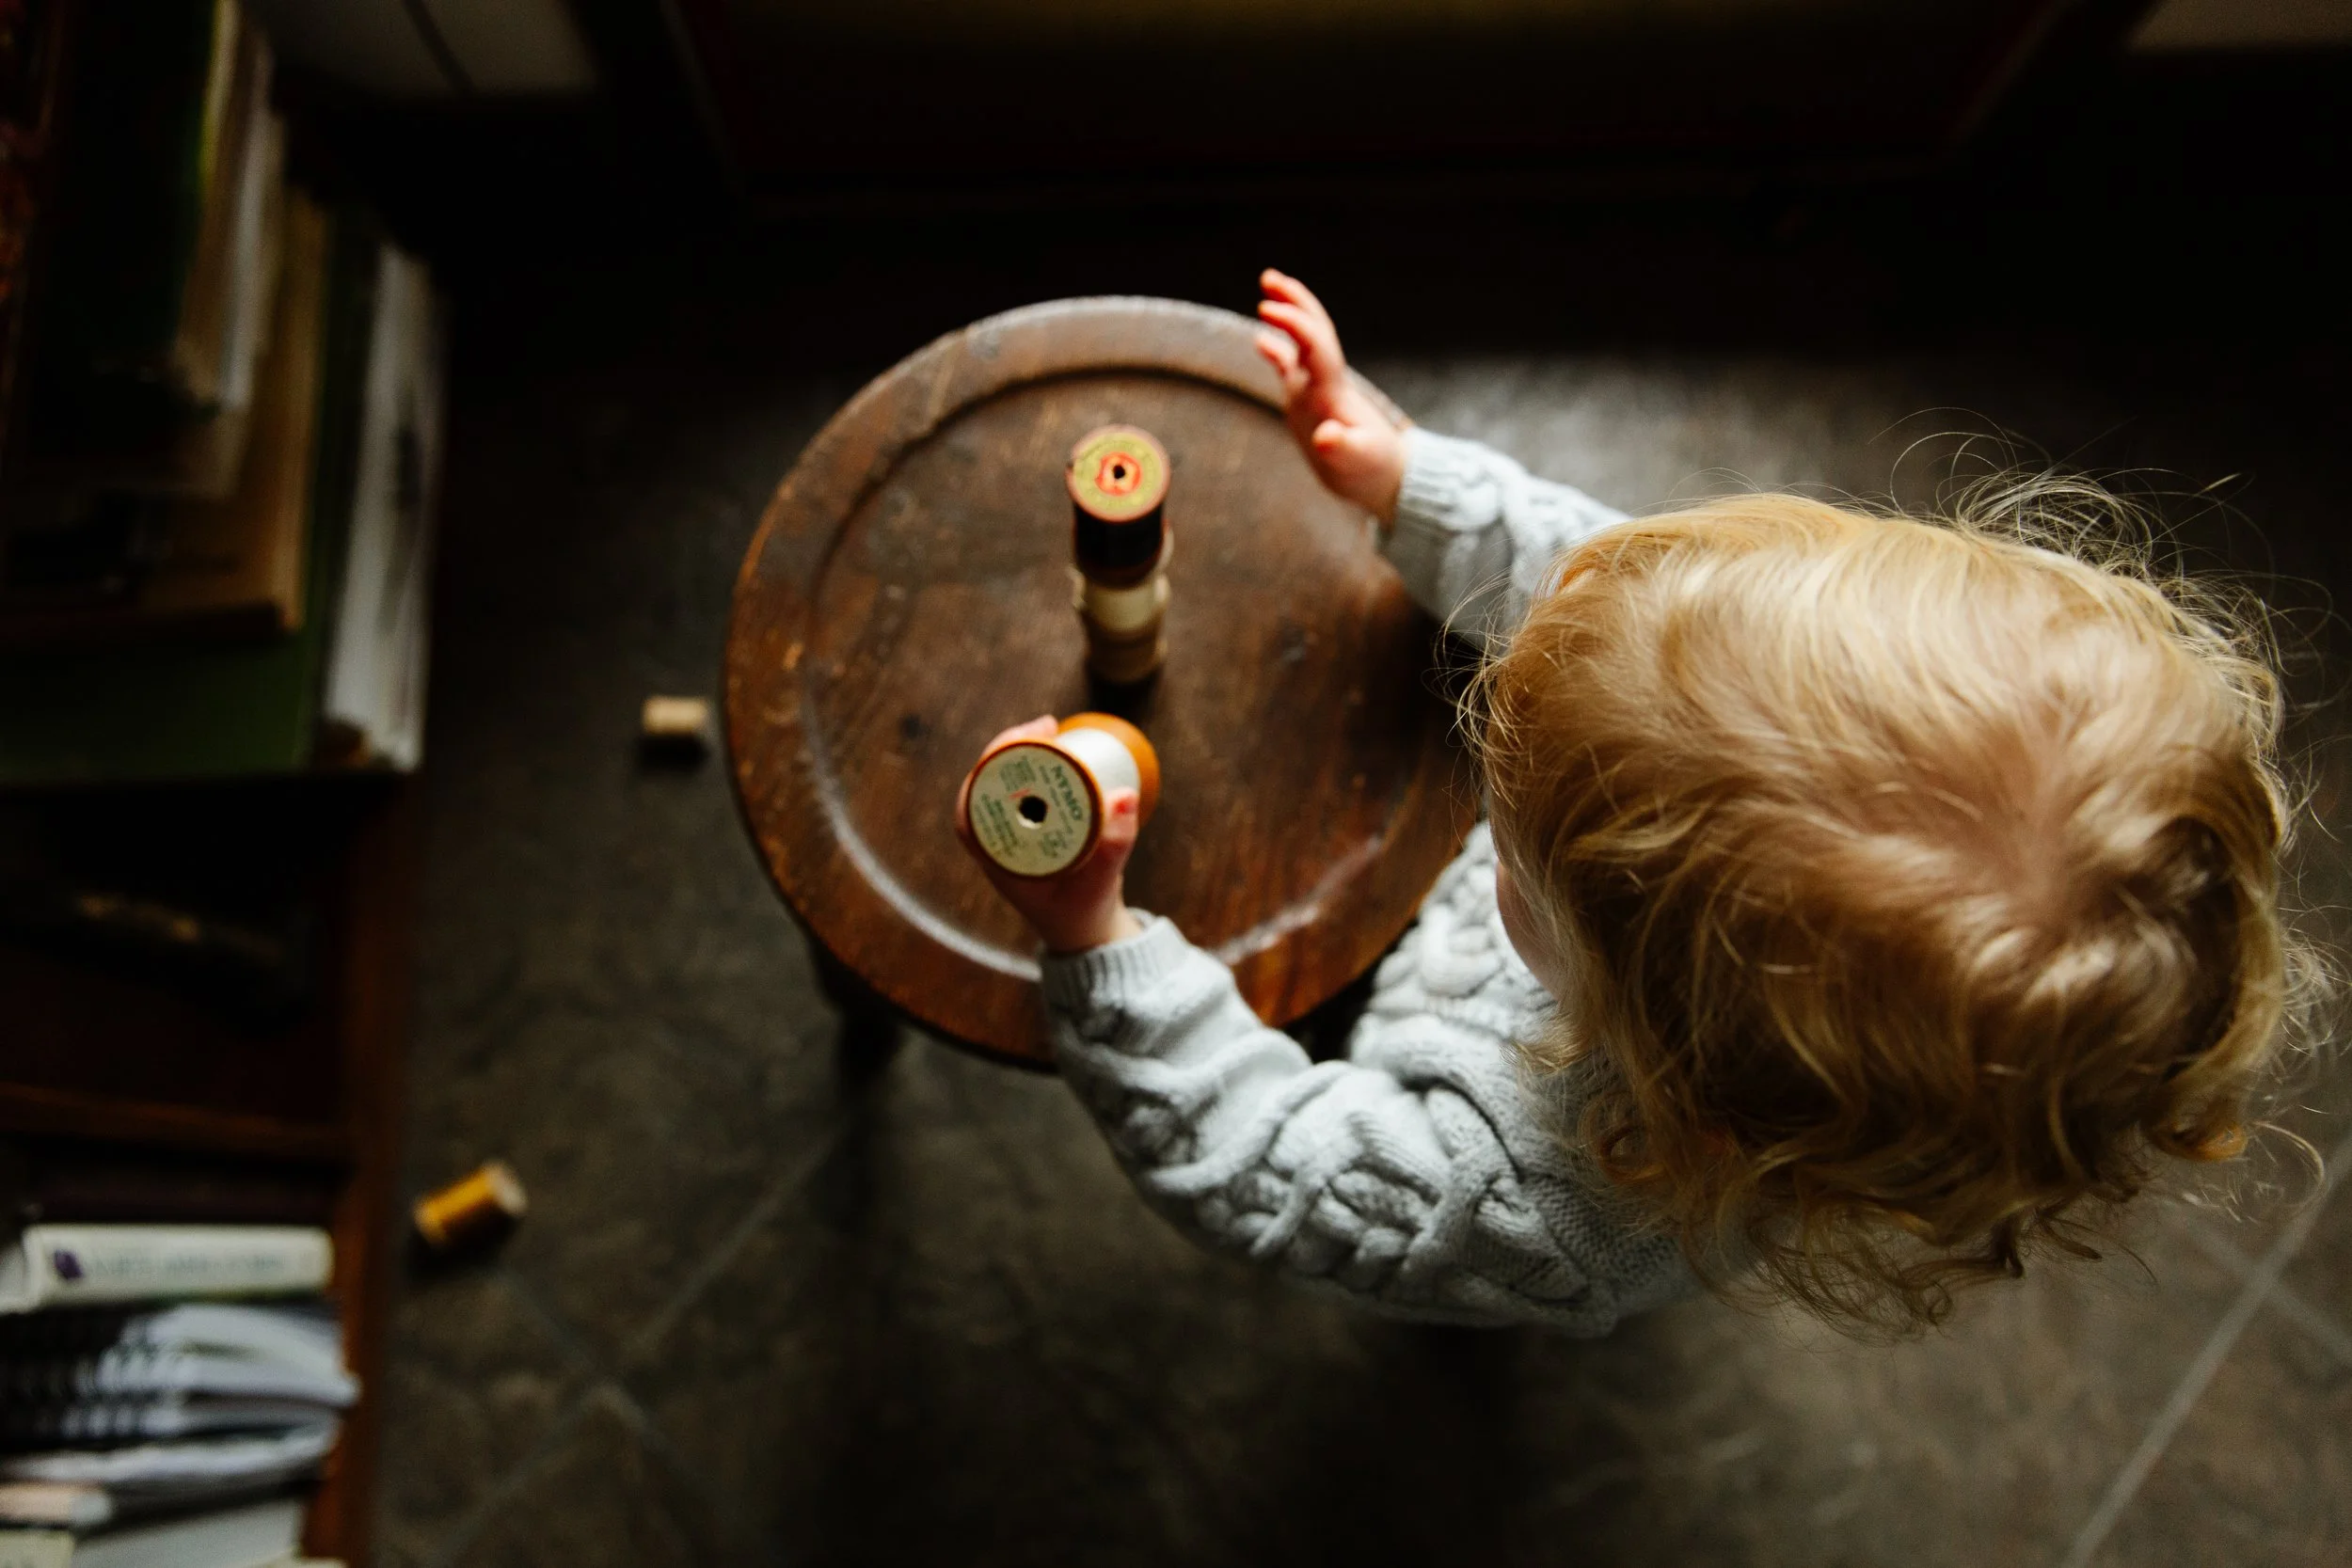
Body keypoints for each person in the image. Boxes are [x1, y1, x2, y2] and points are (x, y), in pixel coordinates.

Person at [953, 269, 2313, 1336]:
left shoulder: (1529, 1200)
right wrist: (1412, 480)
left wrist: (1098, 941)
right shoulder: (1717, 739)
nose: (1498, 747)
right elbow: (1613, 607)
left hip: (1425, 1080)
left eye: (1520, 844)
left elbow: (1268, 1164)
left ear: (1636, 1026)